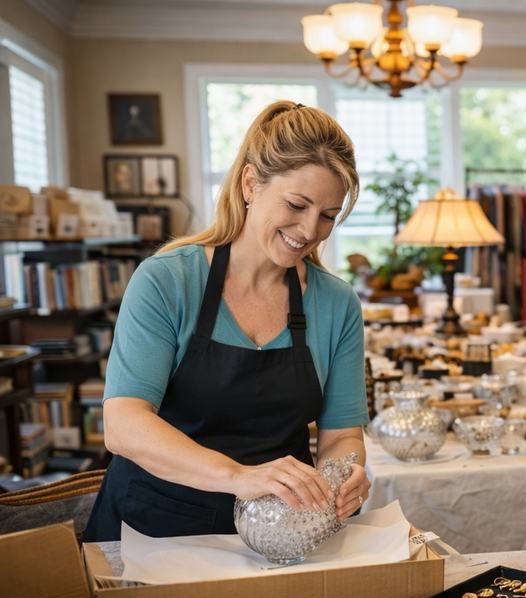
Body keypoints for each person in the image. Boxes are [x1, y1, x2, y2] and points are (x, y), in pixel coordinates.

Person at [83, 101, 371, 541]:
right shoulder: (167, 280)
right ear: (251, 183)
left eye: (329, 215)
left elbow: (341, 437)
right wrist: (239, 477)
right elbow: (124, 425)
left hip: (277, 535)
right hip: (153, 528)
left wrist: (344, 474)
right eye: (297, 204)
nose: (311, 230)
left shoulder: (337, 303)